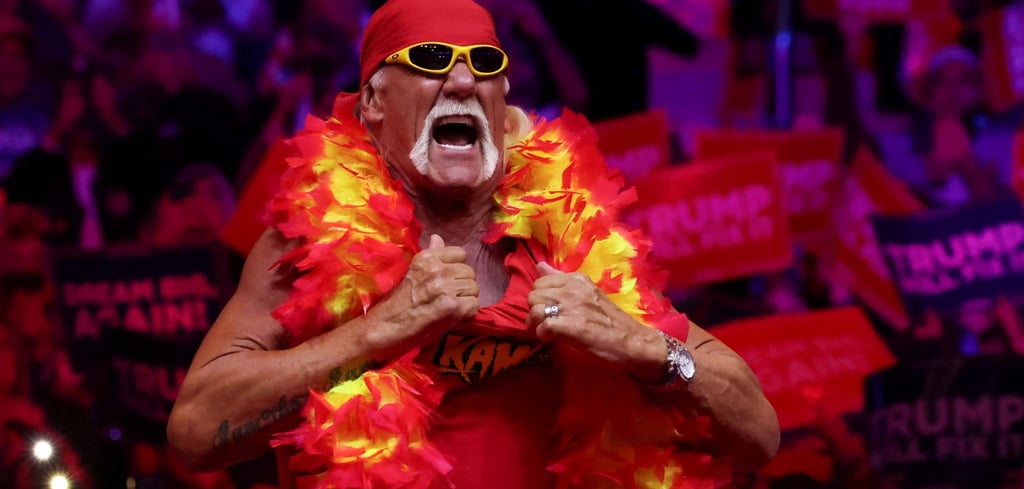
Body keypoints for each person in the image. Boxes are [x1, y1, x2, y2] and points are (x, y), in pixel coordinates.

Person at [167, 1, 779, 487]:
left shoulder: (571, 238)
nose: (462, 79)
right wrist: (376, 333)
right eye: (430, 60)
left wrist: (643, 346)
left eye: (485, 63)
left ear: (502, 97)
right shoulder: (308, 242)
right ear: (373, 101)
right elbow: (195, 434)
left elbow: (759, 434)